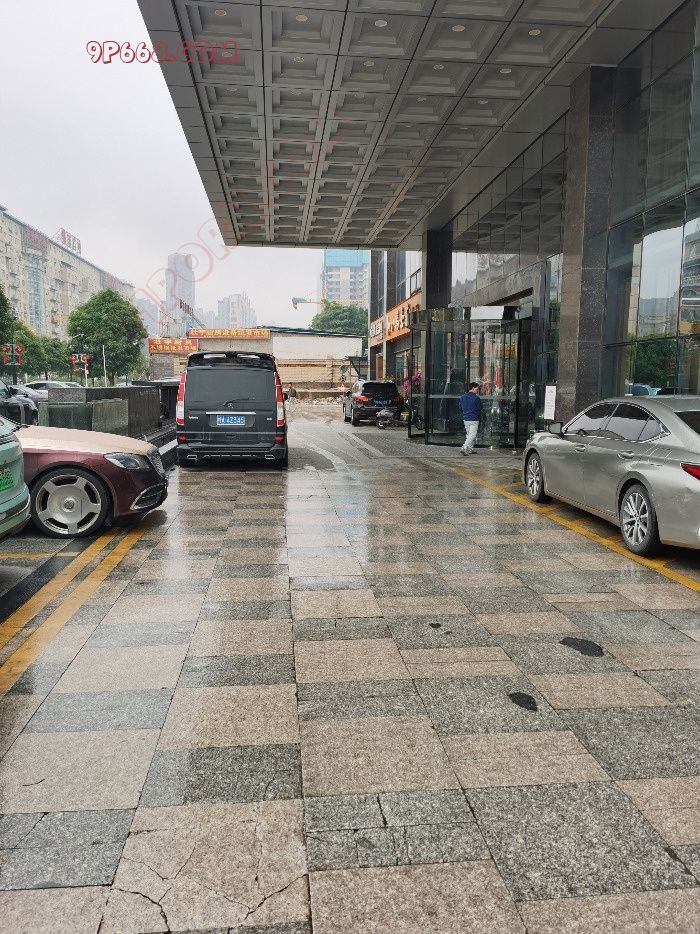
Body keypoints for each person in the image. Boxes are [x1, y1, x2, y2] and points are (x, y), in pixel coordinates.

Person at [459, 382, 482, 456]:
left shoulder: (462, 397)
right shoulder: (476, 398)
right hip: (474, 418)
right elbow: (480, 408)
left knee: (469, 434)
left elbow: (460, 408)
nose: (477, 390)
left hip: (465, 418)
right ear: (473, 388)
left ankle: (470, 449)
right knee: (472, 435)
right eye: (477, 389)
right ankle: (464, 447)